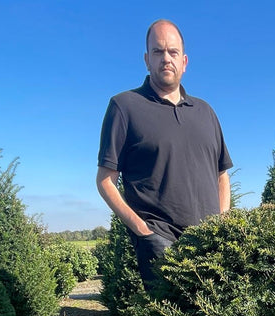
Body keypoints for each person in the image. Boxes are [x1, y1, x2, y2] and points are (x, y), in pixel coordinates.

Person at [96, 19, 233, 289]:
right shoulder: (125, 107)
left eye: (172, 52)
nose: (165, 59)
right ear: (147, 59)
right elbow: (105, 180)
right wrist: (143, 232)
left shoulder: (205, 112)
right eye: (158, 52)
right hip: (161, 248)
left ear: (184, 61)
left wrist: (222, 225)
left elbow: (222, 174)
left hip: (212, 248)